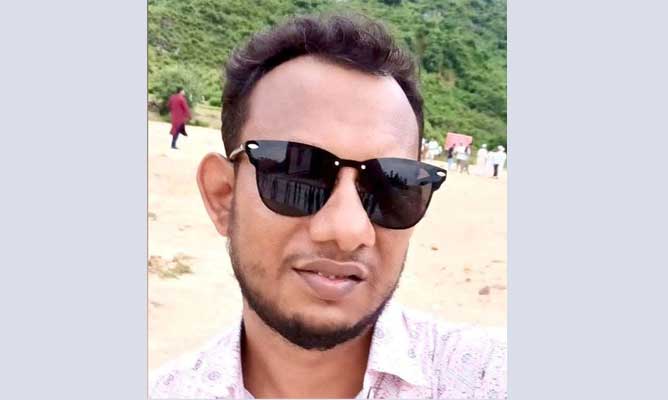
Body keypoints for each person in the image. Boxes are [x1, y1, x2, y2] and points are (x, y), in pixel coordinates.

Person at [150, 14, 506, 399]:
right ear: (223, 196)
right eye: (298, 175)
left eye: (390, 185)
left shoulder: (486, 378)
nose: (348, 230)